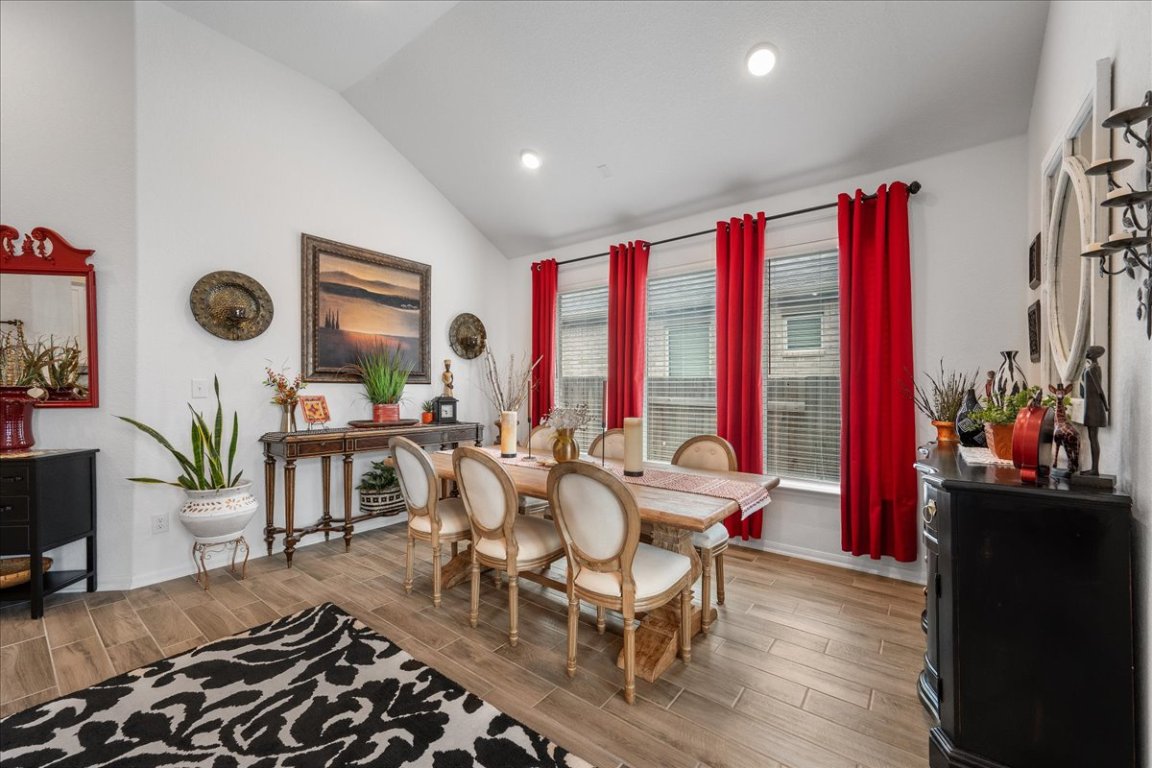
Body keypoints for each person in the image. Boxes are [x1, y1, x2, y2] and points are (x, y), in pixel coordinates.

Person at [1080, 345, 1108, 475]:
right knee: (1093, 438)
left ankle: (1095, 469)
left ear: (1092, 354)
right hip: (1091, 406)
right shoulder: (1095, 368)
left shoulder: (1092, 369)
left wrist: (1105, 405)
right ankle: (1094, 468)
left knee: (1093, 438)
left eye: (1087, 351)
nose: (1085, 352)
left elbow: (1099, 389)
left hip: (1093, 408)